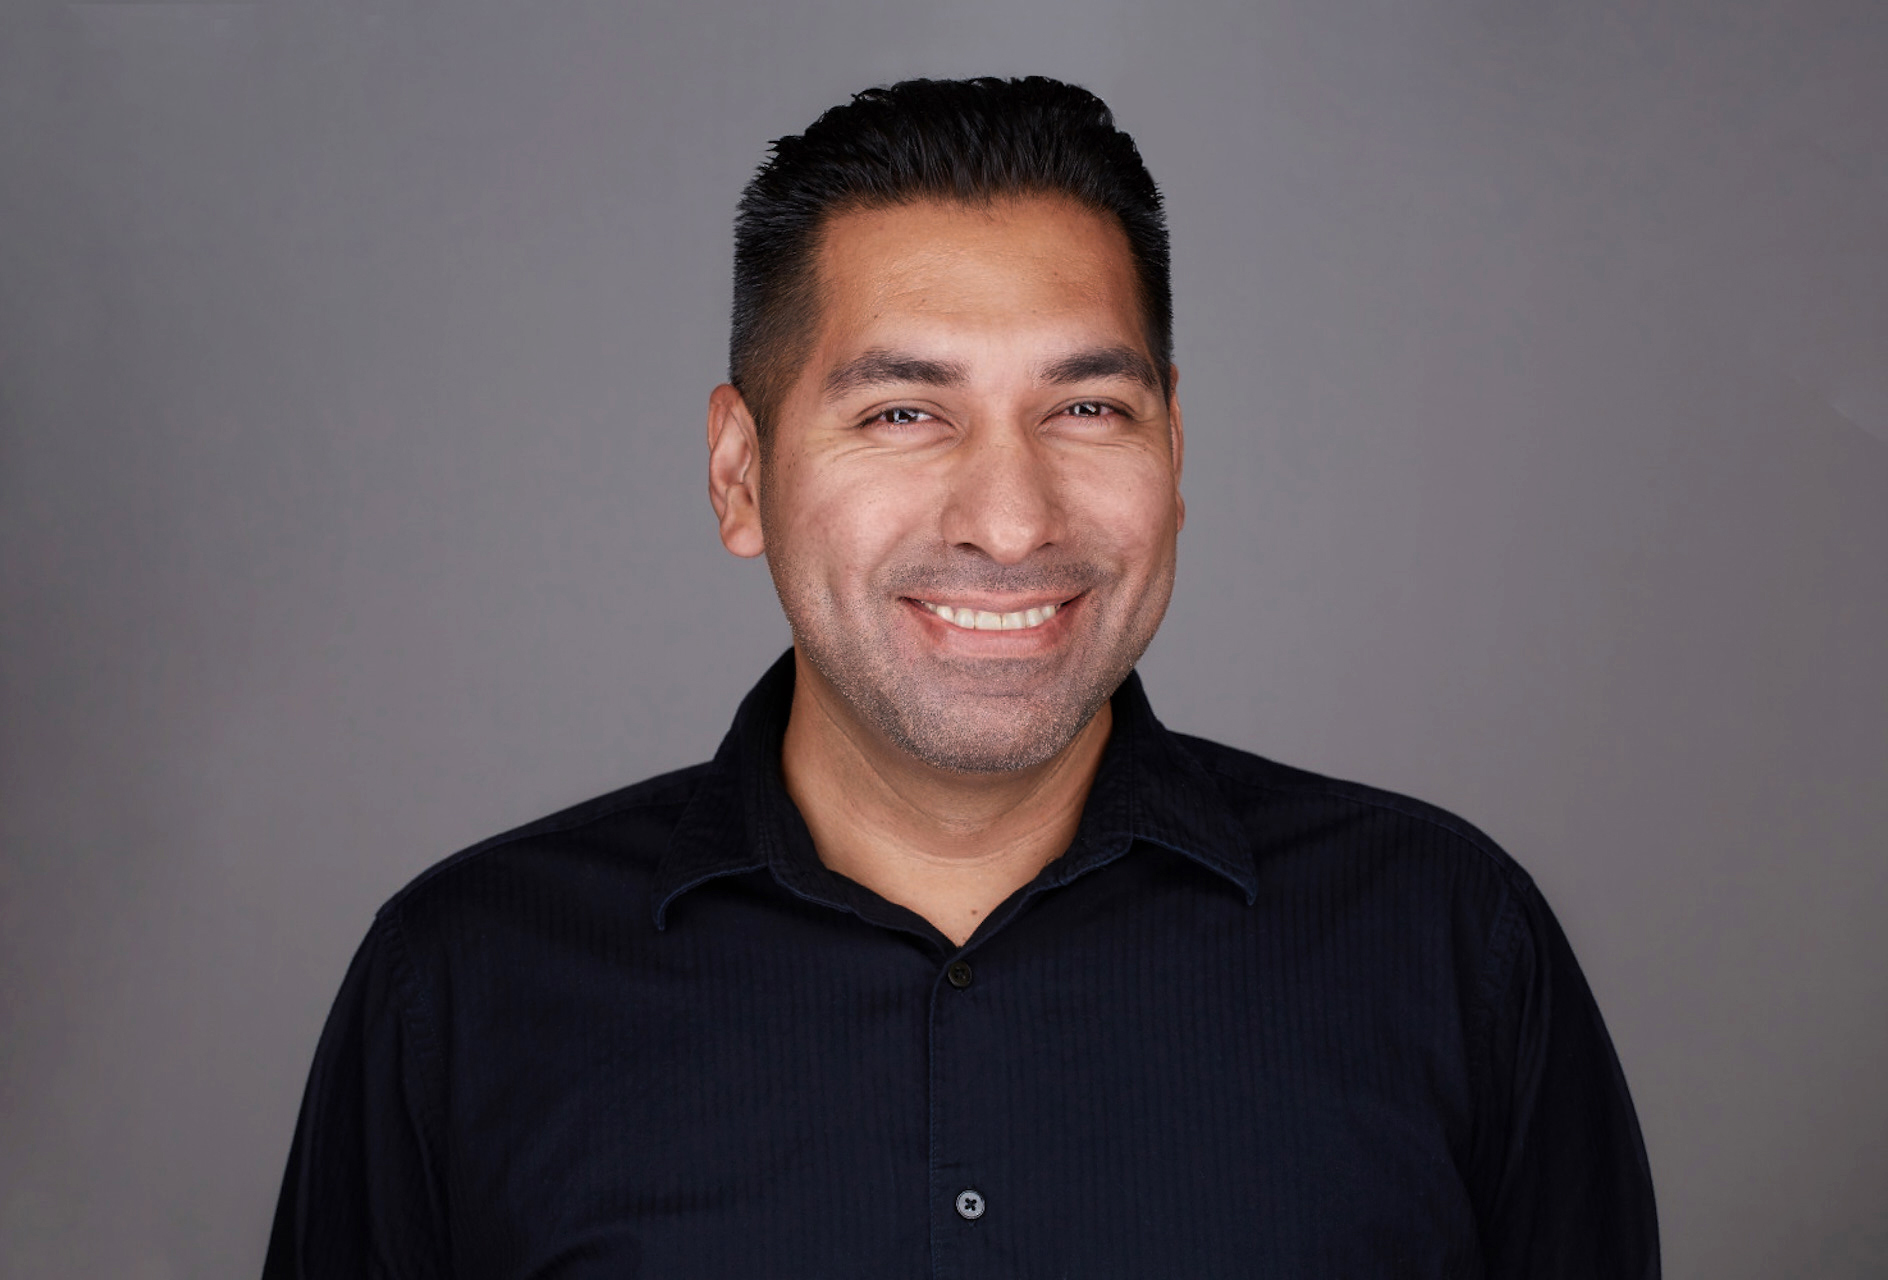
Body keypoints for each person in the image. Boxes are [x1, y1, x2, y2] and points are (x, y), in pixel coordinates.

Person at [264, 77, 1658, 1278]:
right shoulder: (464, 989)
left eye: (1088, 407)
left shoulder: (1449, 950)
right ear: (740, 473)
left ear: (1175, 455)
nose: (1010, 519)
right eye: (904, 412)